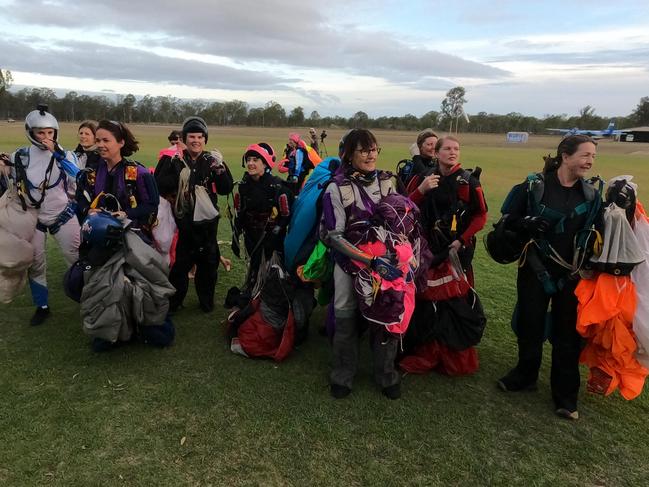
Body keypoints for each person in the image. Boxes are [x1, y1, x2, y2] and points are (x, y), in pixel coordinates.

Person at [496, 135, 603, 420]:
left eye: (593, 156)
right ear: (565, 156)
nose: (590, 161)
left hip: (572, 274)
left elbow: (602, 231)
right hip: (534, 268)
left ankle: (566, 395)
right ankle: (525, 375)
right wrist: (525, 223)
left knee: (567, 333)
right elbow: (506, 221)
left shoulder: (592, 195)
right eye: (585, 155)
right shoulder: (533, 187)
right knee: (530, 324)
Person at [320, 128, 404, 400]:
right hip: (348, 263)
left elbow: (402, 221)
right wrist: (370, 260)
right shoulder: (337, 188)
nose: (370, 155)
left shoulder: (389, 182)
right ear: (348, 154)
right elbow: (334, 236)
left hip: (387, 265)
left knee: (387, 315)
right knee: (345, 315)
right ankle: (343, 375)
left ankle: (387, 374)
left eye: (373, 149)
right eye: (363, 150)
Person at [400, 135, 488, 375]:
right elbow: (404, 205)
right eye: (447, 148)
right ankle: (424, 349)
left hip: (456, 252)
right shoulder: (424, 177)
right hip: (426, 250)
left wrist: (461, 240)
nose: (452, 152)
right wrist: (421, 189)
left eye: (456, 148)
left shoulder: (469, 182)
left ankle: (450, 354)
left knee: (453, 302)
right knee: (425, 300)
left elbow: (481, 215)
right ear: (436, 153)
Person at [0, 104, 80, 326]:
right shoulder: (20, 156)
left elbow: (79, 177)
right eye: (40, 132)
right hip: (33, 218)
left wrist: (60, 155)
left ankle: (89, 298)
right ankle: (42, 306)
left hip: (63, 215)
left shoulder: (66, 155)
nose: (46, 137)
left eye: (50, 133)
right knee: (35, 263)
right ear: (30, 132)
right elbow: (12, 182)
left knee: (78, 259)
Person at [154, 116, 234, 313]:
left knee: (208, 266)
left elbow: (226, 188)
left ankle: (206, 302)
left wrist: (220, 170)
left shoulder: (212, 160)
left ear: (205, 139)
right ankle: (174, 303)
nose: (195, 140)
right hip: (184, 223)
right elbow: (158, 185)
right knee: (181, 266)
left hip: (207, 225)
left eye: (200, 136)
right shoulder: (173, 159)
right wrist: (175, 172)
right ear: (184, 138)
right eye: (191, 136)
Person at [75, 120, 159, 239]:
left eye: (106, 140)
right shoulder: (91, 172)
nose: (100, 145)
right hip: (97, 235)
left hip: (131, 237)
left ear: (121, 143)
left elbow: (152, 204)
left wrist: (126, 214)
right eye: (98, 140)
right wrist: (88, 210)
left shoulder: (138, 173)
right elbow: (80, 197)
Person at [233, 142, 292, 291]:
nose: (250, 163)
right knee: (254, 270)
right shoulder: (244, 186)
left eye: (255, 160)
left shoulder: (278, 187)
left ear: (265, 164)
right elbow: (240, 212)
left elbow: (286, 216)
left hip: (272, 242)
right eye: (248, 160)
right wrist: (236, 232)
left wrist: (276, 233)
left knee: (273, 276)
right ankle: (253, 292)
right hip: (251, 239)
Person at [398, 128, 439, 193]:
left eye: (436, 144)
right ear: (419, 147)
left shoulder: (439, 165)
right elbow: (425, 178)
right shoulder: (409, 168)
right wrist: (416, 157)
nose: (434, 147)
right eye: (429, 144)